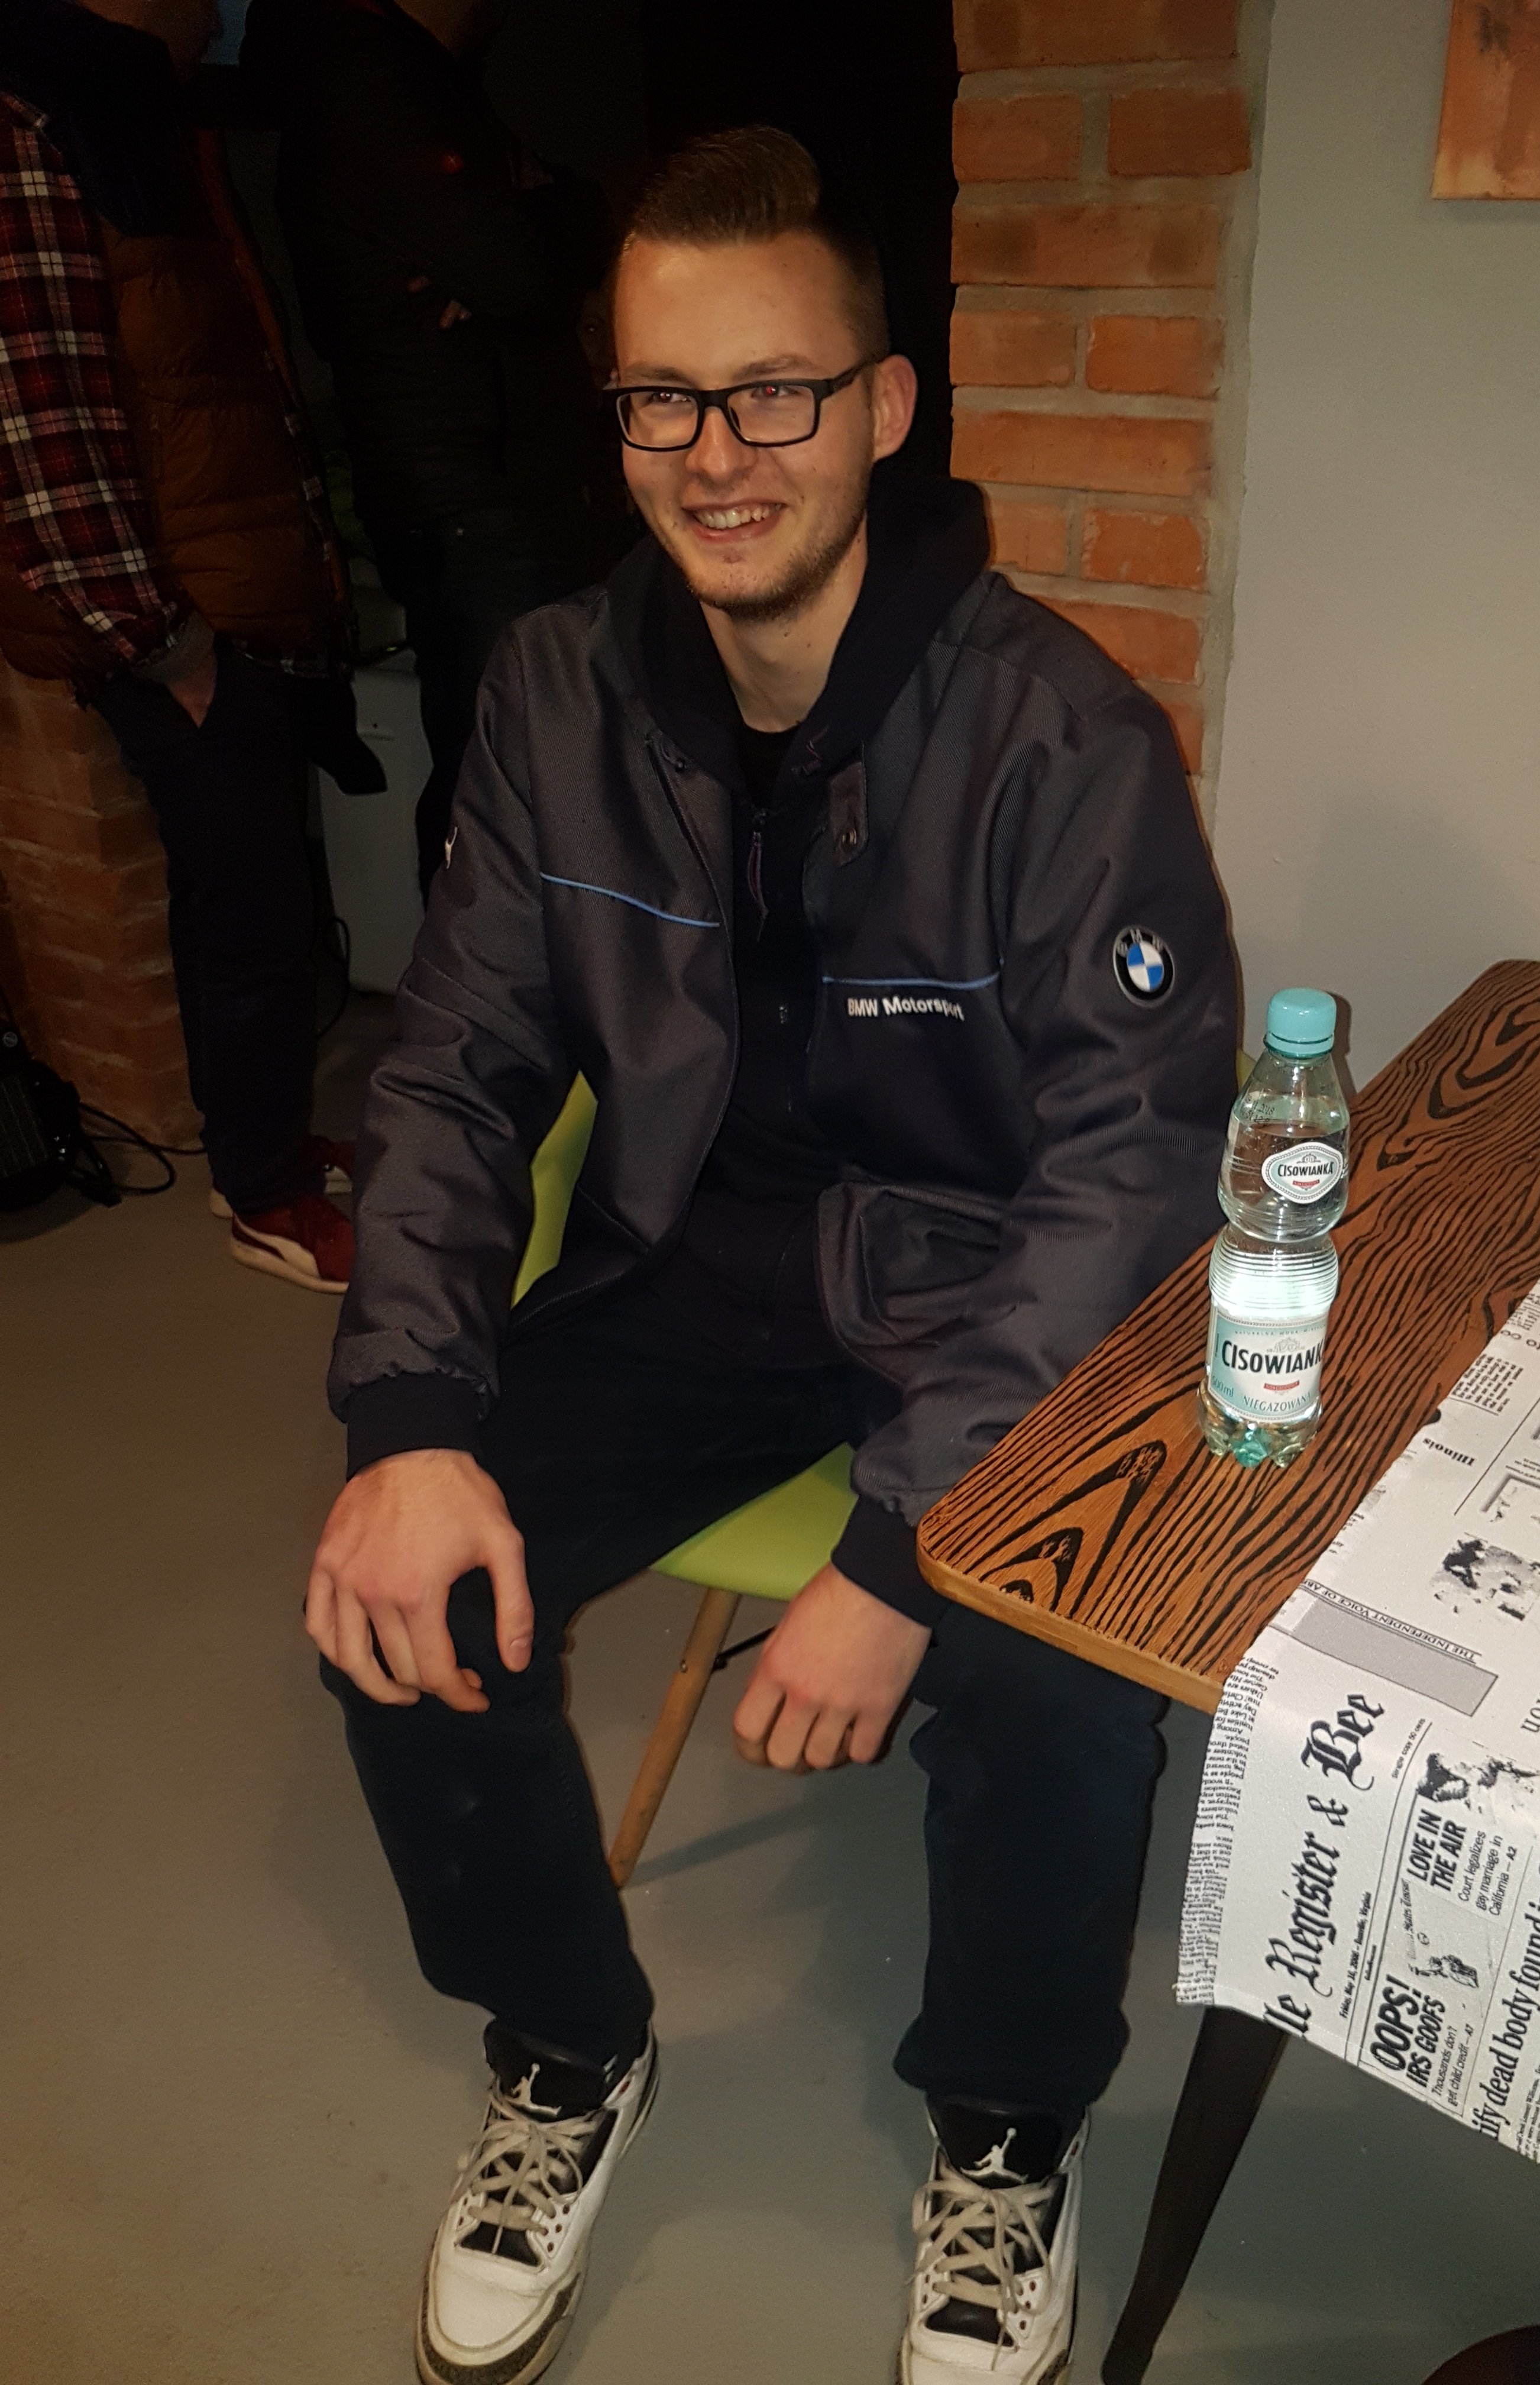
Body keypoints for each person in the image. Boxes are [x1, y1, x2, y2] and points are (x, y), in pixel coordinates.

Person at [306, 127, 1238, 2385]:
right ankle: (564, 2042)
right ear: (616, 410)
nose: (716, 455)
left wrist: (904, 1549)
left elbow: (1127, 1175)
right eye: (662, 398)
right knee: (399, 1598)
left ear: (884, 405)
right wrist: (409, 1417)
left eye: (775, 392)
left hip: (984, 1292)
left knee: (1054, 1669)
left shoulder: (1058, 736)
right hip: (687, 1269)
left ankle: (1004, 2122)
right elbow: (455, 1072)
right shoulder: (555, 694)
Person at [0, 0, 371, 1291]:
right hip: (176, 624)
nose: (220, 10)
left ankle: (255, 1152)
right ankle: (266, 1197)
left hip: (219, 600)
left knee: (244, 912)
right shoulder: (29, 120)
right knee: (250, 920)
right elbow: (42, 419)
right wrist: (166, 646)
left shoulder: (120, 115)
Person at [242, 0, 632, 893]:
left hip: (474, 477)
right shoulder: (369, 82)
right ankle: (476, 980)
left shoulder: (418, 80)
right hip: (468, 488)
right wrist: (534, 230)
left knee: (520, 764)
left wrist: (540, 219)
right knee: (503, 780)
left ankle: (510, 969)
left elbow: (534, 242)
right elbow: (519, 271)